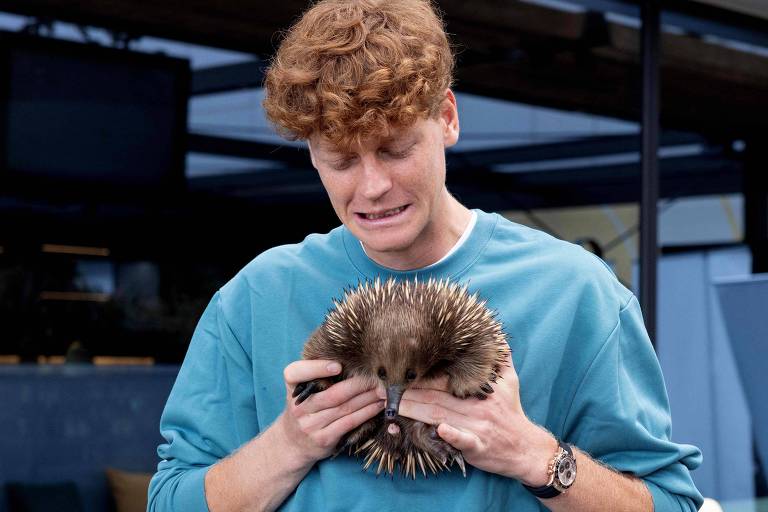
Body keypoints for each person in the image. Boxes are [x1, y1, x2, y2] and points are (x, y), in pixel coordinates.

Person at [148, 0, 703, 510]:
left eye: (395, 149)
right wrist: (287, 445)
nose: (371, 187)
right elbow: (169, 501)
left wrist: (533, 456)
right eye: (339, 160)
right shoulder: (257, 296)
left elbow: (671, 503)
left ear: (447, 118)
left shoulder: (575, 292)